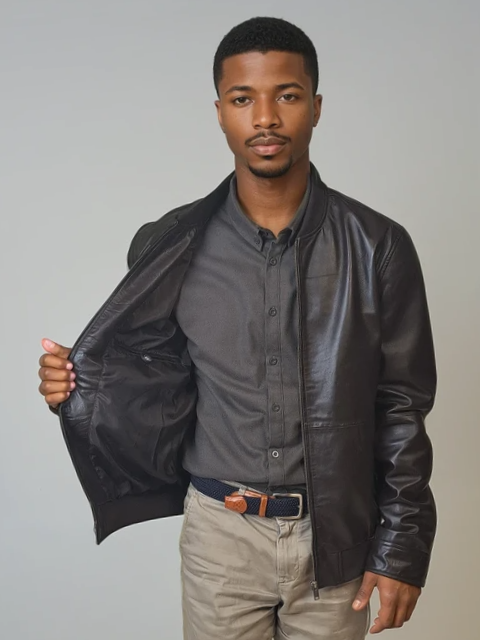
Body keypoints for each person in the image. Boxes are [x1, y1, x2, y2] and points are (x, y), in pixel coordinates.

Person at [37, 16, 437, 640]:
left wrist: (401, 550)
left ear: (316, 107)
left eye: (287, 95)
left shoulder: (377, 246)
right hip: (219, 539)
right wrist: (77, 386)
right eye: (243, 99)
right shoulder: (168, 244)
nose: (266, 118)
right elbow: (154, 382)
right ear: (220, 112)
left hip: (336, 537)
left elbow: (402, 407)